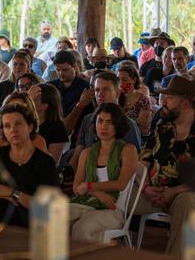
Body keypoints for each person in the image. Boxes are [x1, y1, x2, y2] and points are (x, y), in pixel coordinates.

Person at [0, 104, 59, 227]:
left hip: (29, 221)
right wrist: (0, 198)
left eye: (18, 124)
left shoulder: (45, 162)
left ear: (30, 126)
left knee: (2, 207)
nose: (13, 130)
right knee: (0, 206)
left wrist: (12, 193)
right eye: (7, 126)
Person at [135, 76, 195, 255]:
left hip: (184, 194)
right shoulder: (162, 129)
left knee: (187, 203)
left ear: (185, 103)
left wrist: (173, 192)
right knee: (115, 196)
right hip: (153, 194)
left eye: (169, 98)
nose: (163, 102)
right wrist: (145, 188)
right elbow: (142, 164)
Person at [69, 103, 138, 243]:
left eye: (110, 122)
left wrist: (88, 186)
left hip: (113, 207)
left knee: (81, 228)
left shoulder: (128, 149)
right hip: (87, 201)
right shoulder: (87, 153)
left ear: (118, 125)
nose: (103, 127)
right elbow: (77, 187)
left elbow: (121, 184)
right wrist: (96, 192)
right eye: (100, 121)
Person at [69, 72, 142, 170]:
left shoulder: (128, 124)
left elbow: (134, 161)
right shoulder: (88, 119)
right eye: (97, 90)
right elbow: (77, 154)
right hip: (86, 174)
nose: (100, 94)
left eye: (106, 89)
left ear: (117, 93)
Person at [28, 83, 70, 163]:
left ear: (45, 106)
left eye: (33, 99)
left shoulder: (57, 127)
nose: (28, 102)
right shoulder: (26, 121)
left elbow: (52, 162)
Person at [48, 50, 90, 116]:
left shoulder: (85, 87)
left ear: (74, 67)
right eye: (58, 70)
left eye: (65, 70)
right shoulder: (51, 87)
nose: (61, 73)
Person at [117, 65, 153, 136]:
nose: (121, 83)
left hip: (138, 136)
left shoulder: (143, 100)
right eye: (118, 80)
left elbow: (144, 124)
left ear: (134, 80)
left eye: (124, 80)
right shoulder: (115, 98)